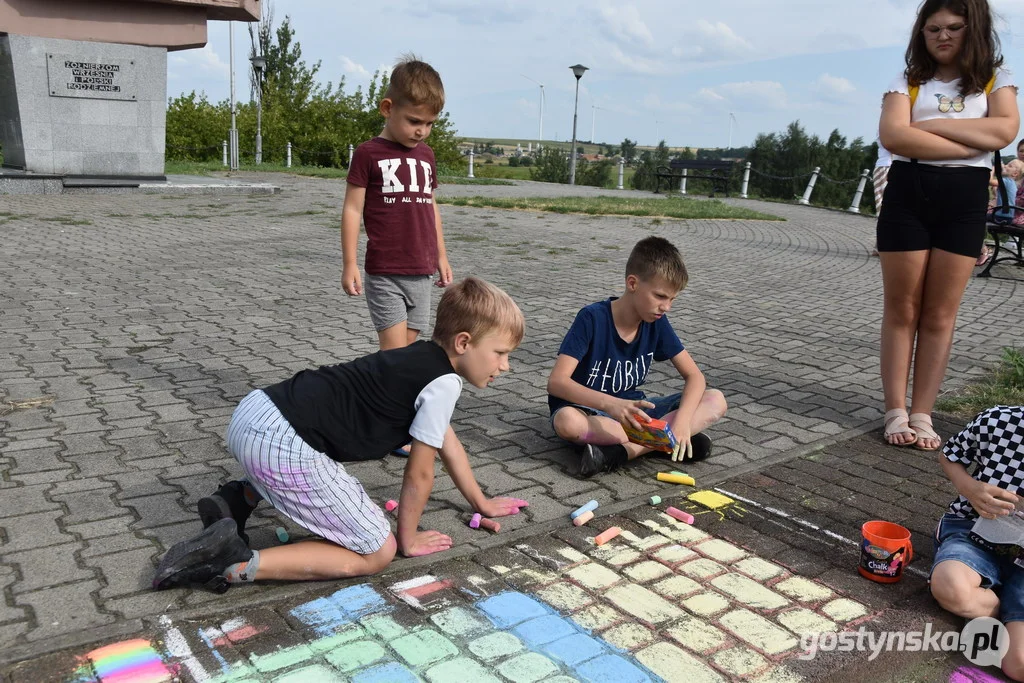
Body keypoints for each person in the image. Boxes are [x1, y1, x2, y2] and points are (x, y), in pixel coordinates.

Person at [152, 278, 528, 592]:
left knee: (304, 459)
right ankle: (236, 560)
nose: (505, 366)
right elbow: (420, 473)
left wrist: (481, 500)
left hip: (256, 411)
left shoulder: (419, 358)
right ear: (464, 343)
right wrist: (407, 539)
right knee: (377, 552)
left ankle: (237, 499)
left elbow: (448, 442)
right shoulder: (444, 383)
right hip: (281, 445)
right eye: (500, 353)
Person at [877, 0, 1019, 450]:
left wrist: (934, 126)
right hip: (908, 193)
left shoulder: (995, 77)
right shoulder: (908, 79)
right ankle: (895, 410)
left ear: (971, 29)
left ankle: (922, 414)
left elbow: (1005, 133)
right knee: (903, 309)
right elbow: (895, 136)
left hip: (965, 200)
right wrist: (969, 140)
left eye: (954, 28)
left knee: (940, 313)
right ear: (921, 33)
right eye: (932, 28)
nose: (943, 36)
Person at [546, 236, 727, 478]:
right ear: (633, 283)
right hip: (593, 411)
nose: (667, 307)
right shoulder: (592, 318)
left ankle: (621, 454)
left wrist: (683, 421)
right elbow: (557, 382)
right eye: (661, 296)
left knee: (715, 400)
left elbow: (694, 376)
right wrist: (611, 404)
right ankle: (665, 443)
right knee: (568, 422)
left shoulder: (657, 323)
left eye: (672, 299)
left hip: (635, 414)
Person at [341, 55, 453, 353]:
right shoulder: (368, 153)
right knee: (393, 355)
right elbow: (352, 209)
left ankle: (382, 396)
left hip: (421, 270)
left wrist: (441, 255)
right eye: (414, 121)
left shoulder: (426, 155)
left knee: (406, 351)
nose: (422, 131)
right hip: (386, 272)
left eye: (430, 123)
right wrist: (349, 263)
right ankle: (380, 398)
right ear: (387, 108)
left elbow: (430, 207)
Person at [930, 405, 1024, 681]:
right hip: (974, 532)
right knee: (951, 585)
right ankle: (1006, 610)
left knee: (1018, 664)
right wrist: (970, 488)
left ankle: (1004, 611)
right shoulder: (1000, 420)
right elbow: (950, 456)